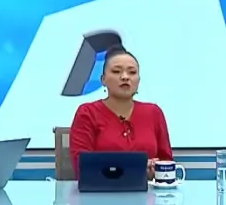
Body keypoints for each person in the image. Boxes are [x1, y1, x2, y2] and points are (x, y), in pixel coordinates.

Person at [69, 45, 173, 179]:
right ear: (103, 80)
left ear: (138, 80)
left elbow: (166, 162)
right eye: (116, 71)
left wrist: (155, 169)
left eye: (132, 72)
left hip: (148, 190)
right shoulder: (87, 113)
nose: (125, 77)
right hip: (101, 190)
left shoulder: (154, 112)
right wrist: (136, 168)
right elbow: (82, 166)